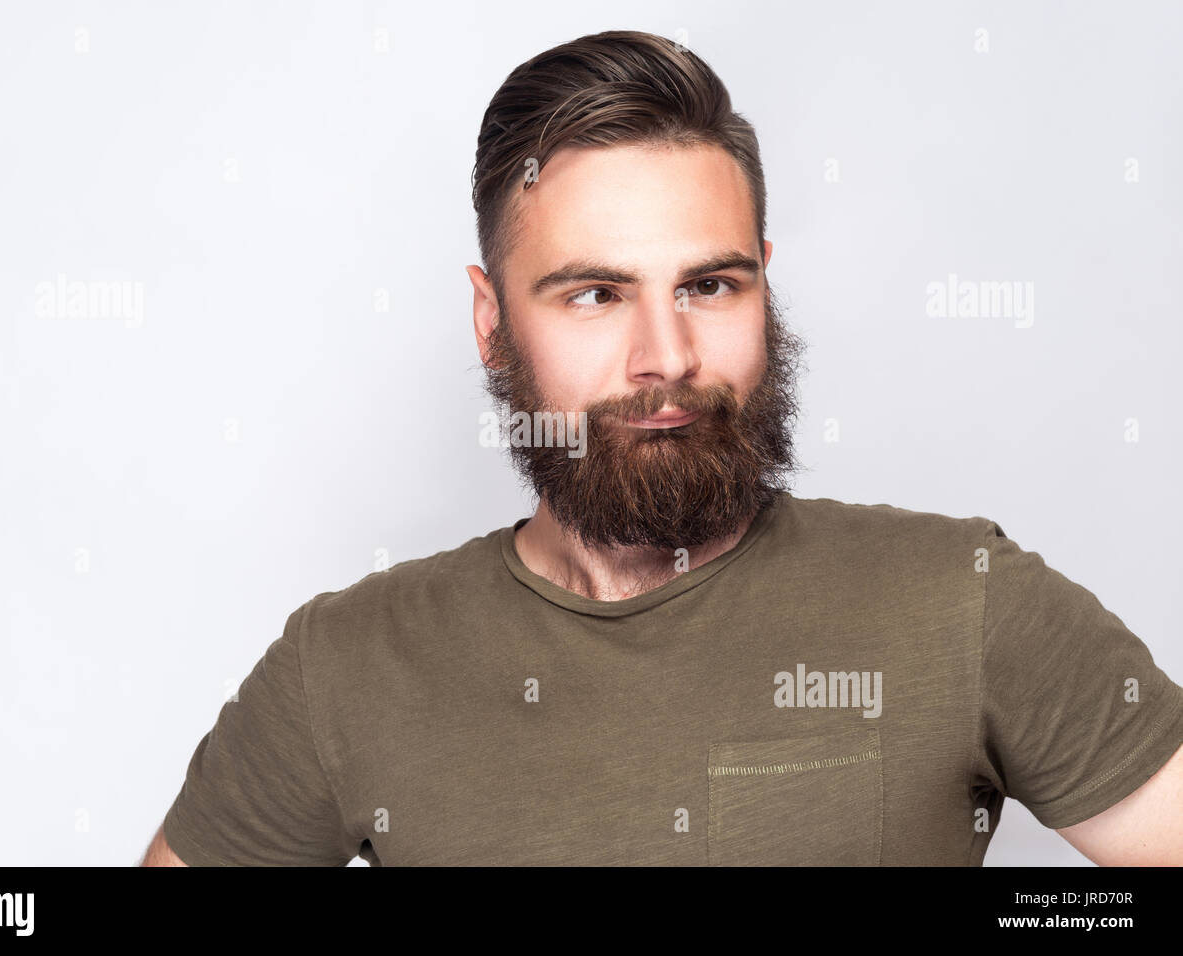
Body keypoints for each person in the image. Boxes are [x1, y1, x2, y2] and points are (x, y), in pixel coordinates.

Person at [142, 30, 1183, 866]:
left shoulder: (964, 598)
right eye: (594, 293)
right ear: (491, 319)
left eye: (709, 284)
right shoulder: (343, 666)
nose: (666, 355)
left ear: (763, 284)